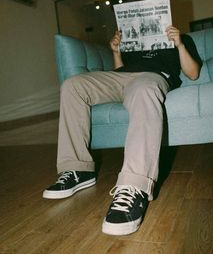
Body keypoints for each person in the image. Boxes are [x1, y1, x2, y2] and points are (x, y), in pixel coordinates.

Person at [43, 25, 202, 236]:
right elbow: (120, 71)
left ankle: (134, 186)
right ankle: (78, 169)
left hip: (152, 77)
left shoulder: (182, 39)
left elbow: (193, 73)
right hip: (121, 79)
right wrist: (117, 51)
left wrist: (179, 44)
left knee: (144, 89)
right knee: (73, 85)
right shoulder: (133, 41)